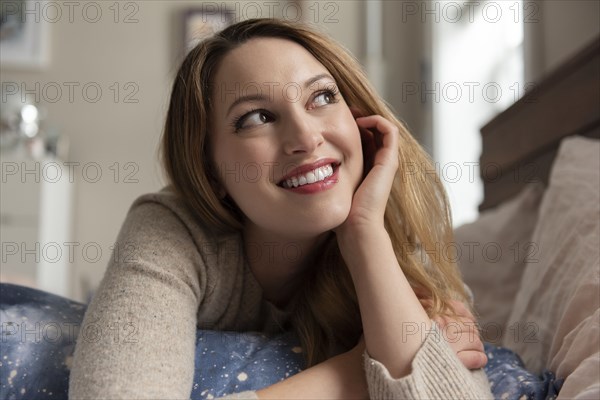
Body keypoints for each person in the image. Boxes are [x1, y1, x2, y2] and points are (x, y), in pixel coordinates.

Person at [69, 18, 493, 399]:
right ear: (210, 171)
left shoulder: (396, 238)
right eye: (255, 118)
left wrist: (363, 233)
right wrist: (356, 371)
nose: (307, 138)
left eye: (323, 97)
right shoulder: (171, 229)